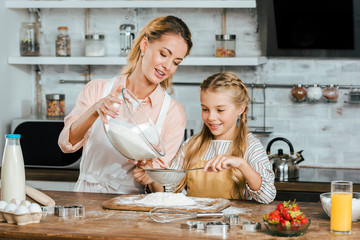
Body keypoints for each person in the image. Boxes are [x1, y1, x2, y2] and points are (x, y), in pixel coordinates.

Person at [58, 15, 193, 194]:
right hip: (85, 197)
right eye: (163, 54)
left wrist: (149, 175)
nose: (167, 66)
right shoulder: (98, 89)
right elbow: (66, 144)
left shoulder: (173, 113)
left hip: (130, 208)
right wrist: (95, 110)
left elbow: (160, 189)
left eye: (176, 62)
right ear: (145, 45)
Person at [135, 72, 276, 204]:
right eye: (205, 109)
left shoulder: (251, 147)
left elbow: (267, 196)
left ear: (241, 109)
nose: (211, 117)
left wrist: (241, 164)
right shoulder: (191, 145)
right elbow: (169, 192)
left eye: (220, 110)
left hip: (234, 228)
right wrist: (152, 178)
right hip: (195, 227)